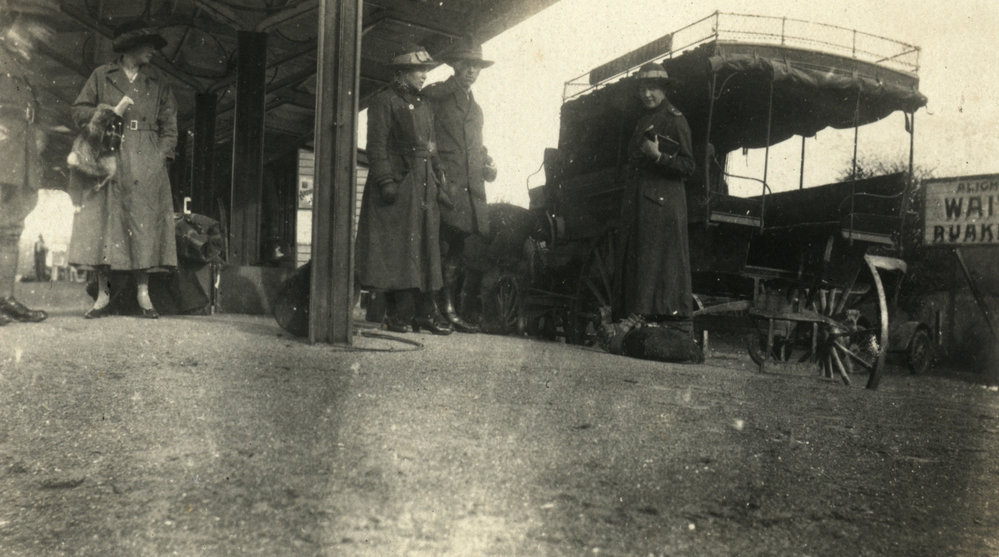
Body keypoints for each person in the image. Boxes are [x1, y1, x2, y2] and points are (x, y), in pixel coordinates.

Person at [68, 19, 178, 319]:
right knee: (106, 221)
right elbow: (78, 111)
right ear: (130, 46)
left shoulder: (158, 83)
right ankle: (102, 295)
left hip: (146, 160)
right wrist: (106, 114)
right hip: (108, 156)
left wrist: (159, 158)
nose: (153, 51)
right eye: (148, 45)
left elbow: (170, 128)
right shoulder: (101, 75)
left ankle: (144, 294)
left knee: (143, 224)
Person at [355, 44, 452, 335]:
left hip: (424, 185)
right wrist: (386, 181)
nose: (424, 75)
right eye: (418, 70)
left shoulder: (424, 105)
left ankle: (424, 313)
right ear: (401, 72)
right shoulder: (384, 101)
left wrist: (440, 179)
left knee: (425, 248)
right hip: (400, 184)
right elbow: (376, 146)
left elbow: (432, 148)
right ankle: (401, 315)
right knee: (400, 251)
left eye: (425, 70)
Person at [423, 39, 498, 333]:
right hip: (444, 186)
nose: (472, 70)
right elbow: (425, 138)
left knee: (455, 251)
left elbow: (476, 148)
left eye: (477, 65)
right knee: (436, 248)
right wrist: (436, 170)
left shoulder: (475, 108)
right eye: (466, 64)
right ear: (454, 64)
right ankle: (430, 308)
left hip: (468, 190)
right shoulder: (437, 96)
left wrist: (488, 165)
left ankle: (448, 307)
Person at [619, 62, 696, 329]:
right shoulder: (643, 120)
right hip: (641, 204)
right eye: (643, 88)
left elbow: (688, 166)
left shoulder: (676, 120)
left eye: (652, 88)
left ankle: (649, 317)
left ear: (663, 89)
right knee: (641, 262)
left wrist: (659, 157)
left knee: (656, 265)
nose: (647, 94)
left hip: (663, 207)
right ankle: (638, 317)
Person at [0, 0, 53, 326]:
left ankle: (5, 300)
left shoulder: (22, 65)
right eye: (31, 26)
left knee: (10, 231)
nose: (37, 34)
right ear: (11, 24)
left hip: (20, 159)